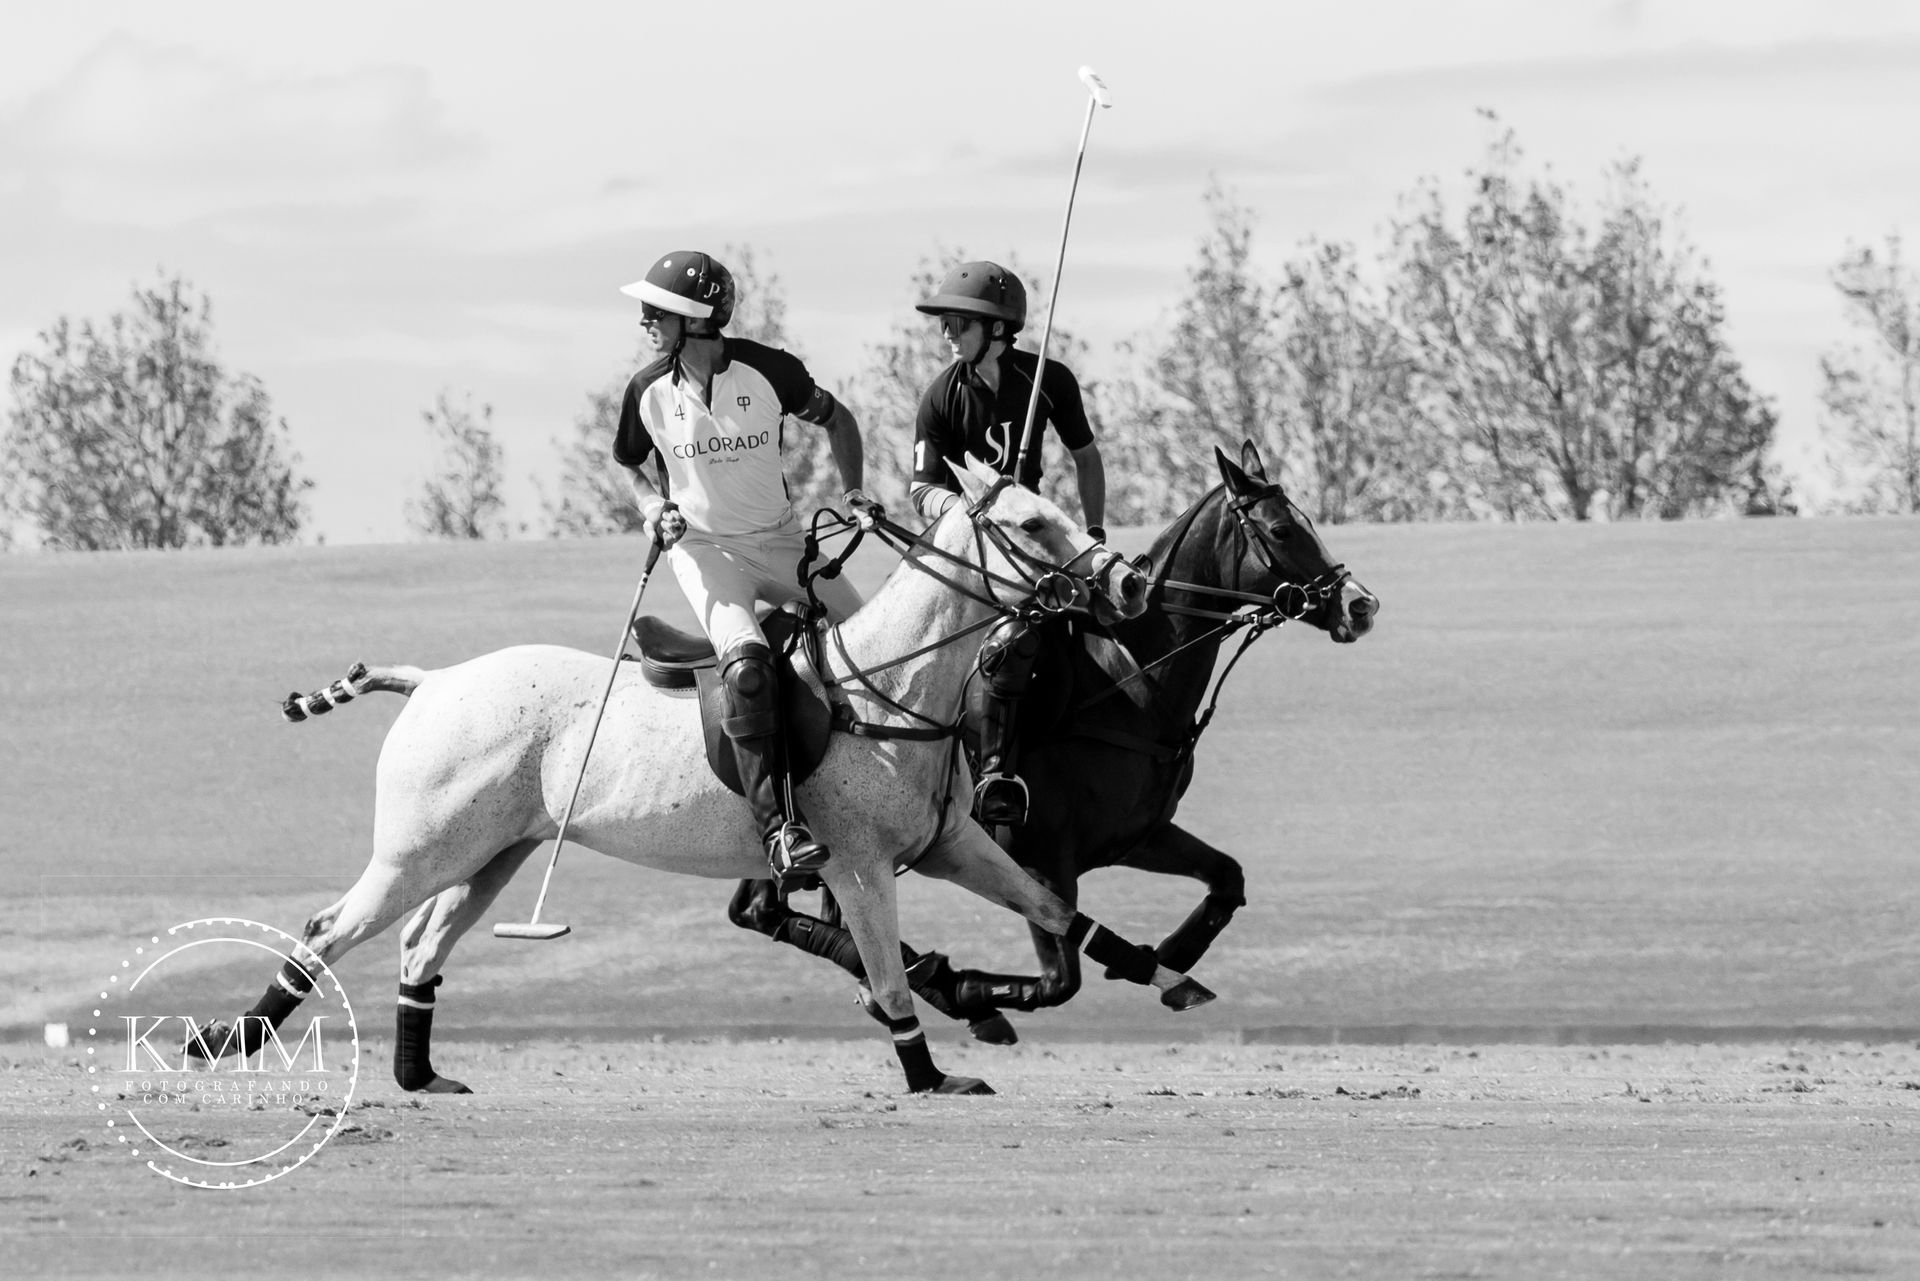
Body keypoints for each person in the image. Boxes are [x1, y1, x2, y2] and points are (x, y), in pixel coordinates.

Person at [612, 249, 873, 879]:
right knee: (748, 666)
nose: (645, 318)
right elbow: (626, 462)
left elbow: (838, 419)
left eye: (659, 309)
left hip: (782, 541)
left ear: (699, 317)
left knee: (872, 641)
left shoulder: (771, 371)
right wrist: (653, 506)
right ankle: (780, 828)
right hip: (706, 551)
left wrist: (853, 491)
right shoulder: (647, 388)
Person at [907, 260, 1107, 828]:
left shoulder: (1050, 380)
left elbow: (1085, 457)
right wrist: (969, 508)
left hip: (1029, 543)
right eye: (944, 322)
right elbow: (921, 490)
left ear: (996, 329)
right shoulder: (940, 396)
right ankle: (992, 773)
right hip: (960, 548)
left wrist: (1092, 534)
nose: (946, 334)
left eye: (957, 324)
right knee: (1005, 640)